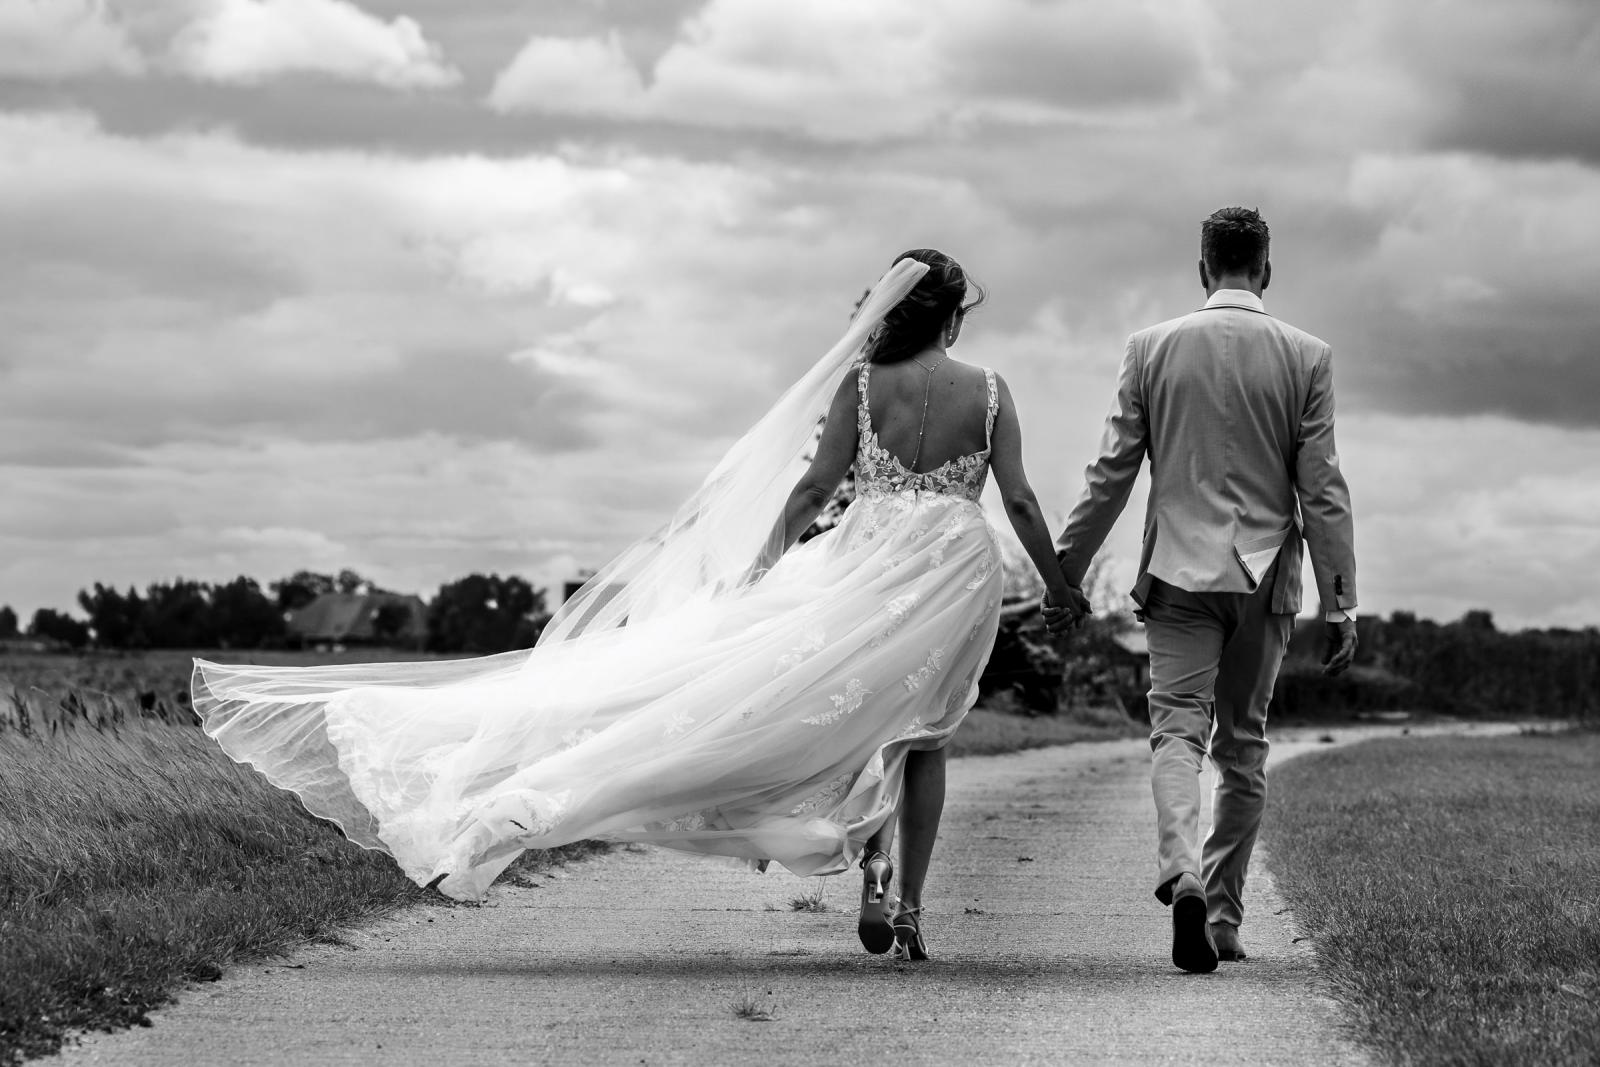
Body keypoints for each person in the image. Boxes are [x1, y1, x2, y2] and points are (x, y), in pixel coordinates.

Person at [194, 249, 1084, 962]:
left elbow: (816, 488)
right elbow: (1024, 501)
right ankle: (904, 900)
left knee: (848, 721)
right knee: (920, 732)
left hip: (863, 557)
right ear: (956, 311)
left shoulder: (863, 385)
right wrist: (1060, 584)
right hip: (948, 568)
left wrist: (767, 568)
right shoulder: (993, 390)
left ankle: (874, 874)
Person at [1046, 208, 1358, 973]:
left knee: (1176, 734)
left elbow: (1111, 473)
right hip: (1263, 579)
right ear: (1267, 270)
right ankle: (1220, 914)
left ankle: (1179, 865)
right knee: (1243, 747)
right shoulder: (1307, 357)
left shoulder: (1150, 349)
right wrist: (1340, 597)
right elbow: (1322, 489)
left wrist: (1066, 572)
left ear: (1201, 269)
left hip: (1181, 575)